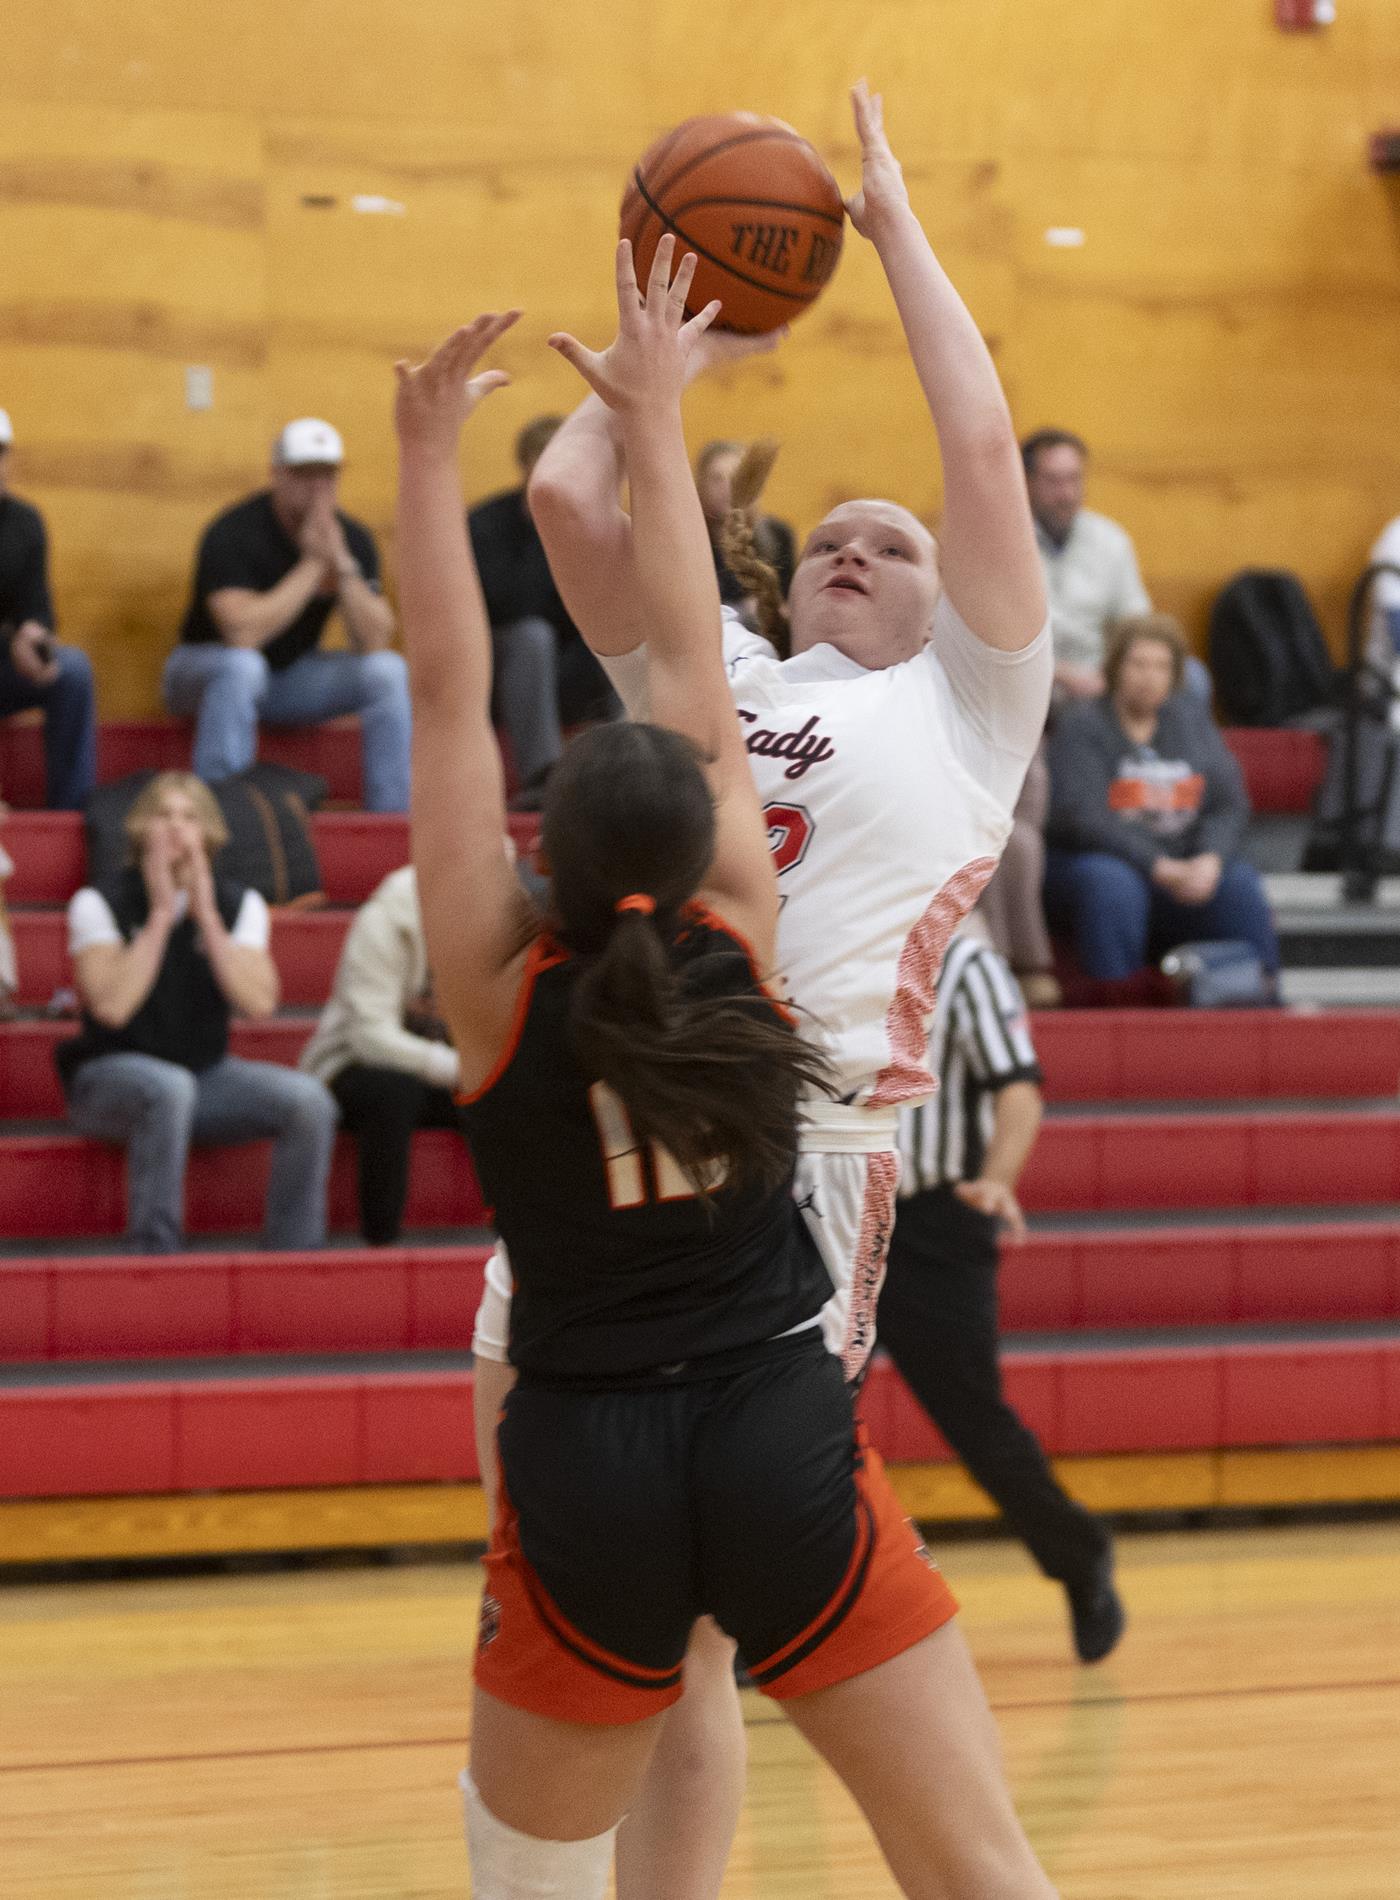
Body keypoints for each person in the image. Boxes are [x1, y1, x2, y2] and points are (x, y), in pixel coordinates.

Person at [395, 248, 1055, 1900]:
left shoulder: (971, 707)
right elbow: (561, 497)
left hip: (804, 1159)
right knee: (643, 1634)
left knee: (711, 1595)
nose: (853, 543)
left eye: (892, 543)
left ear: (950, 602)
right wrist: (638, 374)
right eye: (829, 530)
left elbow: (981, 460)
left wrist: (877, 233)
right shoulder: (725, 688)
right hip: (609, 1134)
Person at [880, 930, 1123, 1663]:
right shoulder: (833, 940)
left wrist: (998, 1180)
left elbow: (1019, 1085)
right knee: (793, 1420)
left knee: (975, 1423)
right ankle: (757, 1620)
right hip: (832, 1216)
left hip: (934, 1221)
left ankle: (1078, 1557)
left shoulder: (966, 962)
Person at [56, 771, 338, 1253]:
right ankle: (156, 1253)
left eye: (189, 817)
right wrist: (162, 916)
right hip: (106, 1080)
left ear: (210, 833)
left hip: (205, 1076)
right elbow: (113, 1006)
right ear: (141, 829)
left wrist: (206, 917)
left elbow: (260, 1004)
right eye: (163, 816)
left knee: (309, 1100)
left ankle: (295, 1253)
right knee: (169, 1087)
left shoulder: (237, 904)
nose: (176, 829)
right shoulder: (98, 901)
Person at [163, 419, 410, 811]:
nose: (318, 486)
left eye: (327, 474)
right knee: (243, 667)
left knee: (389, 671)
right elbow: (242, 634)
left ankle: (393, 818)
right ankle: (226, 816)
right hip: (201, 671)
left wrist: (342, 566)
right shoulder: (234, 531)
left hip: (291, 677)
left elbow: (375, 640)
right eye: (304, 473)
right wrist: (313, 566)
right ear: (277, 473)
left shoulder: (352, 538)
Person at [1044, 613, 1280, 993]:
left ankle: (1264, 997)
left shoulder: (1192, 725)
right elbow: (1080, 817)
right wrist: (1158, 866)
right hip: (1101, 864)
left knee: (1239, 885)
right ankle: (1115, 1008)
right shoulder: (1082, 725)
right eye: (1138, 664)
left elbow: (1228, 804)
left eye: (1161, 666)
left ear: (1175, 676)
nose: (1149, 676)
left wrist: (1211, 858)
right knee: (1111, 883)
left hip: (1180, 867)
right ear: (1116, 667)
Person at [300, 863, 468, 1245]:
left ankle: (514, 1237)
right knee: (393, 1092)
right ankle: (381, 1243)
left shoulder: (488, 923)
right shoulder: (387, 918)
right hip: (347, 1064)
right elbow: (369, 1038)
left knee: (501, 1093)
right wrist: (458, 1068)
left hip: (437, 1063)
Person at [468, 415, 619, 809]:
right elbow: (507, 605)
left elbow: (601, 600)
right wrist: (546, 530)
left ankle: (626, 769)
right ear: (526, 466)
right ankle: (542, 776)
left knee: (622, 627)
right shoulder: (486, 524)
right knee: (533, 635)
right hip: (502, 674)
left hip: (568, 672)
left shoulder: (591, 520)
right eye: (549, 460)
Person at [0, 408, 97, 810]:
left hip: (6, 665)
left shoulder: (24, 522)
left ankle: (71, 812)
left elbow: (37, 607)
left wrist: (35, 638)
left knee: (71, 670)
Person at [695, 438, 796, 614]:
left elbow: (789, 604)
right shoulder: (690, 543)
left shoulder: (778, 535)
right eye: (716, 479)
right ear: (701, 486)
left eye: (736, 478)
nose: (727, 487)